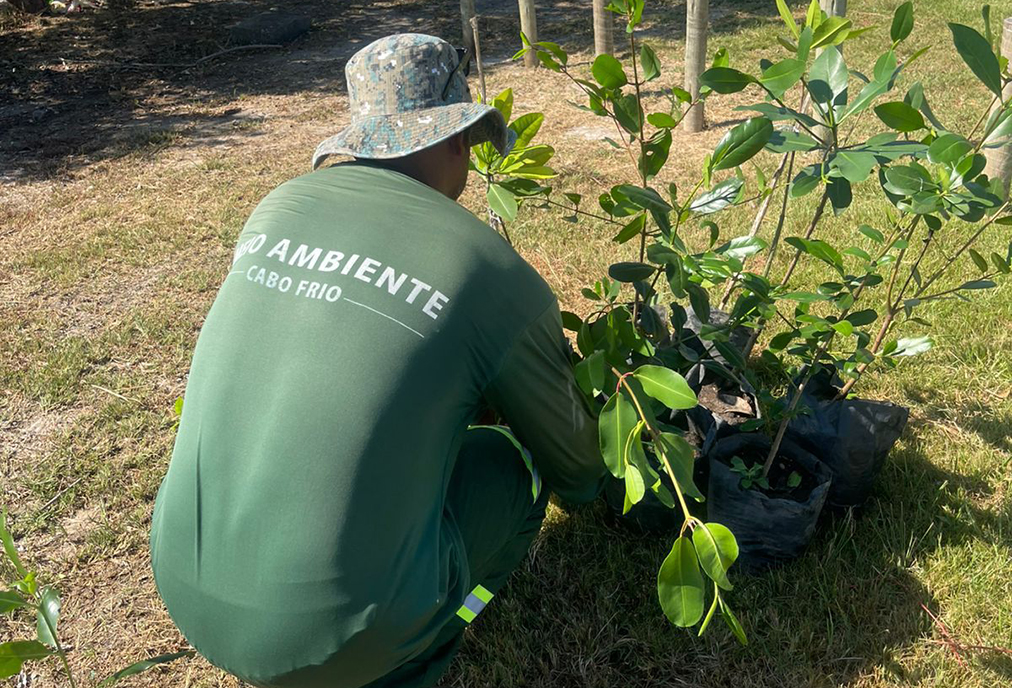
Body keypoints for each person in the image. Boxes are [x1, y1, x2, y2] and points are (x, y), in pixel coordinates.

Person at [149, 33, 606, 688]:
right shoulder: (491, 271)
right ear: (455, 139)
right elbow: (581, 474)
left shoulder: (276, 209)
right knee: (517, 470)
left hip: (183, 589)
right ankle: (417, 652)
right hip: (342, 645)